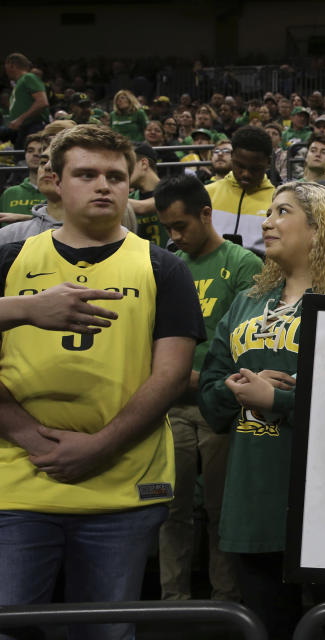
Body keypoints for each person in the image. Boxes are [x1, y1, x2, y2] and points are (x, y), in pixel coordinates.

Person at [0, 124, 204, 640]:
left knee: (106, 634)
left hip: (123, 485)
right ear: (54, 181)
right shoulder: (10, 260)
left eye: (115, 176)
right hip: (17, 482)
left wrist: (98, 446)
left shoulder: (164, 267)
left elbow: (172, 374)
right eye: (86, 173)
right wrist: (27, 434)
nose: (103, 186)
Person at [198, 182, 325, 639]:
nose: (266, 222)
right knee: (268, 627)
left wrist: (276, 400)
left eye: (282, 212)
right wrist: (236, 388)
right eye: (267, 213)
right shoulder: (245, 301)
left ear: (320, 230)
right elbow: (209, 395)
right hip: (252, 498)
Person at [154, 174, 262, 603]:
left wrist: (190, 379)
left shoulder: (242, 264)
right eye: (168, 228)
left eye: (182, 226)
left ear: (206, 213)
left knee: (222, 512)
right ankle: (172, 603)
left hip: (219, 407)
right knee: (171, 512)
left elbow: (248, 344)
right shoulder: (165, 263)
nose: (175, 237)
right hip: (173, 406)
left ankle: (225, 605)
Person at [206, 126, 276, 255]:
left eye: (255, 169)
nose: (246, 174)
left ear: (268, 162)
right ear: (232, 156)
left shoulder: (277, 201)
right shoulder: (207, 193)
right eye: (240, 166)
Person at [0, 53, 50, 149]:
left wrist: (20, 120)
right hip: (24, 128)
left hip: (34, 127)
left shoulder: (28, 77)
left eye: (5, 66)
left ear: (11, 65)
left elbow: (42, 102)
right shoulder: (19, 82)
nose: (4, 70)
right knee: (19, 159)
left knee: (25, 159)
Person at [1, 133, 44, 219]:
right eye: (30, 151)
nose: (35, 154)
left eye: (41, 150)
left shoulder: (57, 193)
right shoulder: (9, 193)